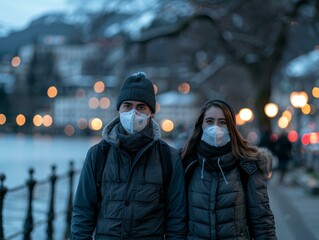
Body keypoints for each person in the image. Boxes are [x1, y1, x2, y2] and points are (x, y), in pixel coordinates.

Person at [71, 72, 187, 239]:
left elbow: (176, 218)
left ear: (151, 113)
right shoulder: (98, 154)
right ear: (119, 109)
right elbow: (83, 210)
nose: (133, 113)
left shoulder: (167, 157)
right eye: (127, 105)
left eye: (141, 107)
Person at [181, 99, 277, 240]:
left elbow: (262, 222)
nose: (215, 127)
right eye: (209, 121)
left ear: (230, 127)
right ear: (201, 125)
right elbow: (176, 219)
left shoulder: (247, 166)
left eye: (222, 122)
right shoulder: (187, 163)